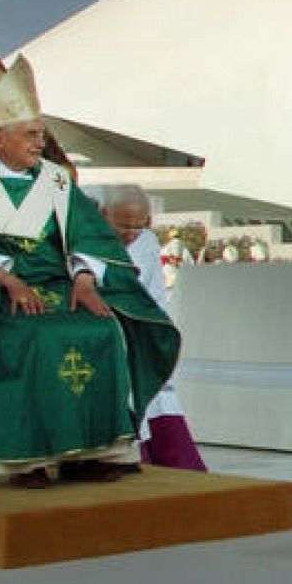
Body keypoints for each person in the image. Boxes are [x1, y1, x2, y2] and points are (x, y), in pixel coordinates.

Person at [0, 56, 180, 488]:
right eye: (30, 134)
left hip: (60, 287)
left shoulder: (55, 181)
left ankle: (91, 453)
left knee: (104, 329)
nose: (39, 143)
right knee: (33, 337)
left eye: (41, 134)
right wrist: (4, 275)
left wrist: (84, 278)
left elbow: (92, 233)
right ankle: (27, 460)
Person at [98, 184, 208, 471]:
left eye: (139, 225)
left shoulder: (146, 242)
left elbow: (155, 296)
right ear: (104, 214)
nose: (131, 233)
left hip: (138, 328)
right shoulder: (89, 239)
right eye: (123, 226)